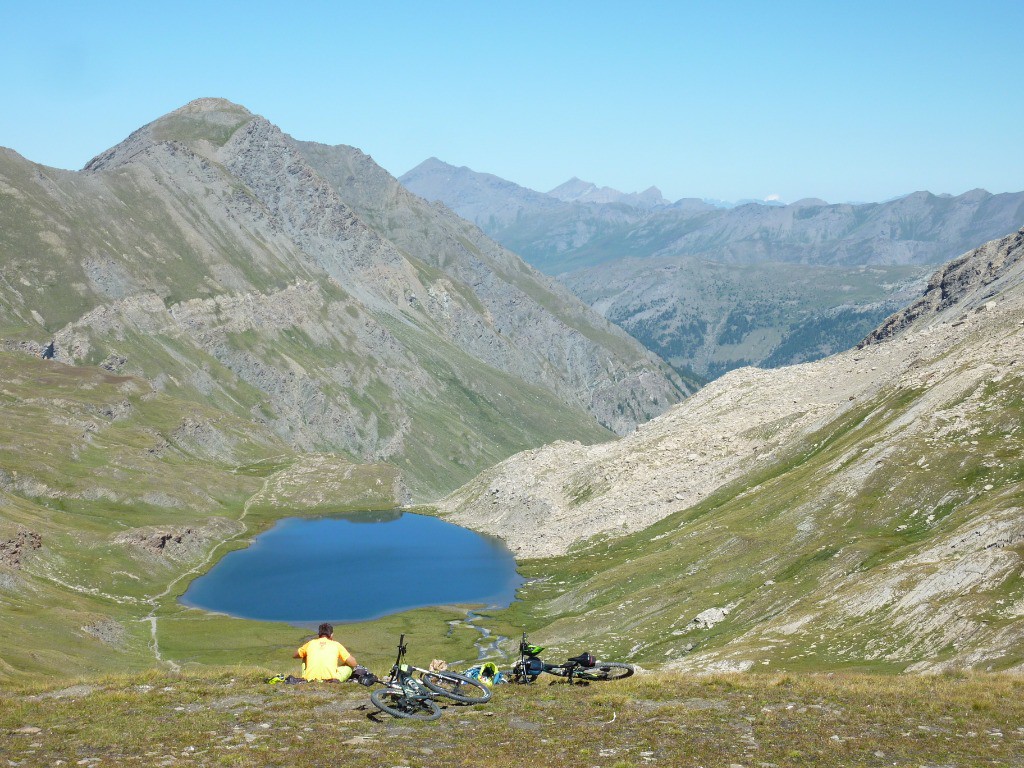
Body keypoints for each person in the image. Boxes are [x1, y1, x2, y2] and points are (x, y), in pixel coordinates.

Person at [293, 622, 358, 682]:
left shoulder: (310, 643)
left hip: (310, 679)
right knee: (349, 668)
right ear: (331, 635)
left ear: (319, 634)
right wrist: (344, 664)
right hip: (330, 680)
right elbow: (353, 663)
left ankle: (307, 676)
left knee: (303, 654)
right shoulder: (336, 645)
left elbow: (295, 655)